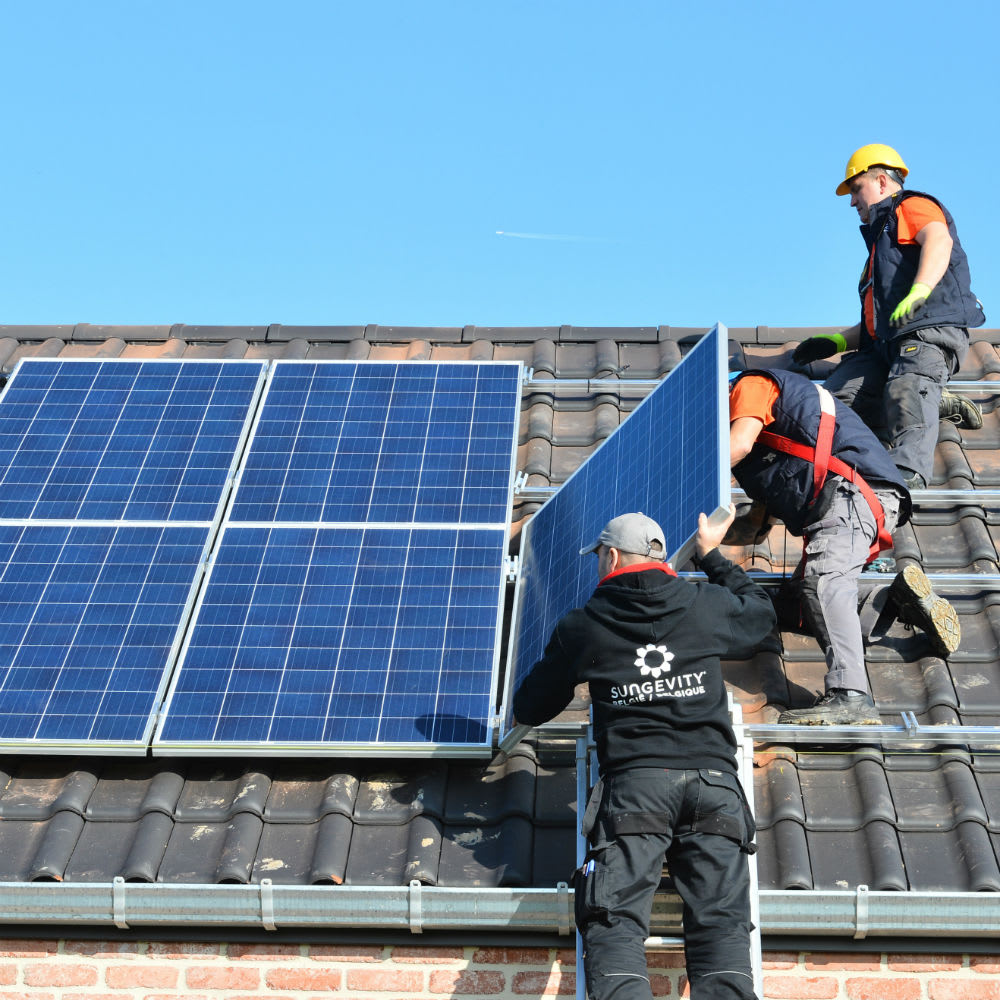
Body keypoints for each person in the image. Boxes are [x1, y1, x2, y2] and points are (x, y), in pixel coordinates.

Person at [513, 509, 774, 1000]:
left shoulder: (585, 626)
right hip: (714, 787)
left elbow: (531, 706)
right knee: (721, 927)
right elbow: (759, 613)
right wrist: (713, 555)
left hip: (635, 791)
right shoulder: (704, 604)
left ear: (610, 556)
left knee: (614, 924)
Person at [729, 368, 961, 726]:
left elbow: (738, 444)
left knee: (823, 582)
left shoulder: (750, 386)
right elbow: (754, 528)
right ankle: (889, 601)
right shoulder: (762, 445)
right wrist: (696, 540)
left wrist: (682, 488)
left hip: (851, 491)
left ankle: (850, 696)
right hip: (860, 499)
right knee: (793, 606)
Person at [791, 143, 986, 490]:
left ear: (882, 182)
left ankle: (906, 475)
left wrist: (921, 290)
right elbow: (874, 321)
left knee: (906, 387)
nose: (852, 202)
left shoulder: (911, 206)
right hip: (884, 346)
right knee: (834, 403)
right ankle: (931, 402)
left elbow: (938, 241)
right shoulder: (877, 256)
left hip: (926, 331)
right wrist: (835, 342)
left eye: (856, 189)